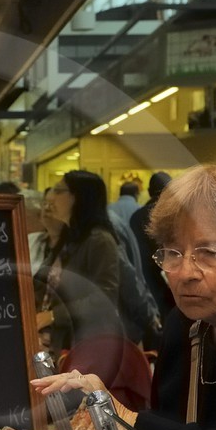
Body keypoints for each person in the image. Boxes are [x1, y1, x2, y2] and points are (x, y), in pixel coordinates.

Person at [32, 165, 216, 430]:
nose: (185, 272)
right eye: (172, 253)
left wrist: (129, 420)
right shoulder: (184, 326)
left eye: (208, 252)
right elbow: (170, 422)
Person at [32, 172, 151, 410]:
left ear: (78, 197)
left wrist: (52, 316)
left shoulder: (99, 240)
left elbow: (103, 296)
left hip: (86, 351)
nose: (51, 197)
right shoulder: (69, 238)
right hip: (61, 348)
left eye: (58, 190)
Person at [128, 171, 175, 328]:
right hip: (169, 278)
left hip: (142, 278)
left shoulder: (136, 216)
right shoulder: (175, 214)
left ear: (148, 192)